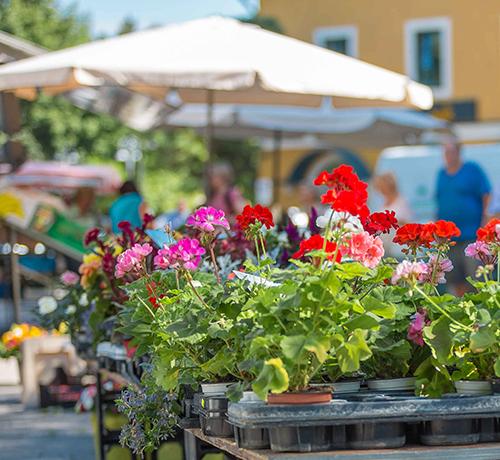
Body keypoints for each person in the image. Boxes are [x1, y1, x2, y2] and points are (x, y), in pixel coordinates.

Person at [436, 141, 491, 295]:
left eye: (450, 152)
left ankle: (480, 314)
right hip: (450, 239)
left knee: (476, 278)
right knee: (455, 280)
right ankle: (463, 313)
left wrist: (484, 219)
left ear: (458, 153)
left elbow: (486, 193)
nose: (447, 156)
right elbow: (439, 201)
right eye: (445, 152)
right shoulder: (442, 174)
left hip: (470, 235)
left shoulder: (472, 170)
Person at [373, 172, 413, 259]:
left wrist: (390, 221)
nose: (381, 190)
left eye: (382, 187)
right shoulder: (383, 203)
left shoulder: (402, 201)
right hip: (385, 247)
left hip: (399, 248)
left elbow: (408, 223)